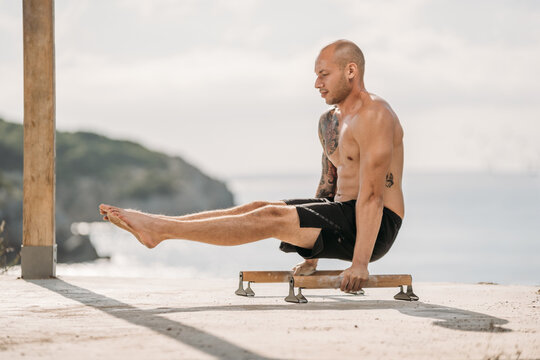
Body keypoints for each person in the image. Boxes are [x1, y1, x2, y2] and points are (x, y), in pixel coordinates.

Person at [99, 39, 405, 293]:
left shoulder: (374, 115)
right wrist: (313, 258)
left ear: (351, 71)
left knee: (271, 216)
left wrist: (360, 263)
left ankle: (159, 229)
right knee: (261, 206)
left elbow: (372, 196)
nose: (316, 83)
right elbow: (328, 187)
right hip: (342, 216)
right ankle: (158, 227)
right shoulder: (329, 122)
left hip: (376, 227)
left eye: (324, 74)